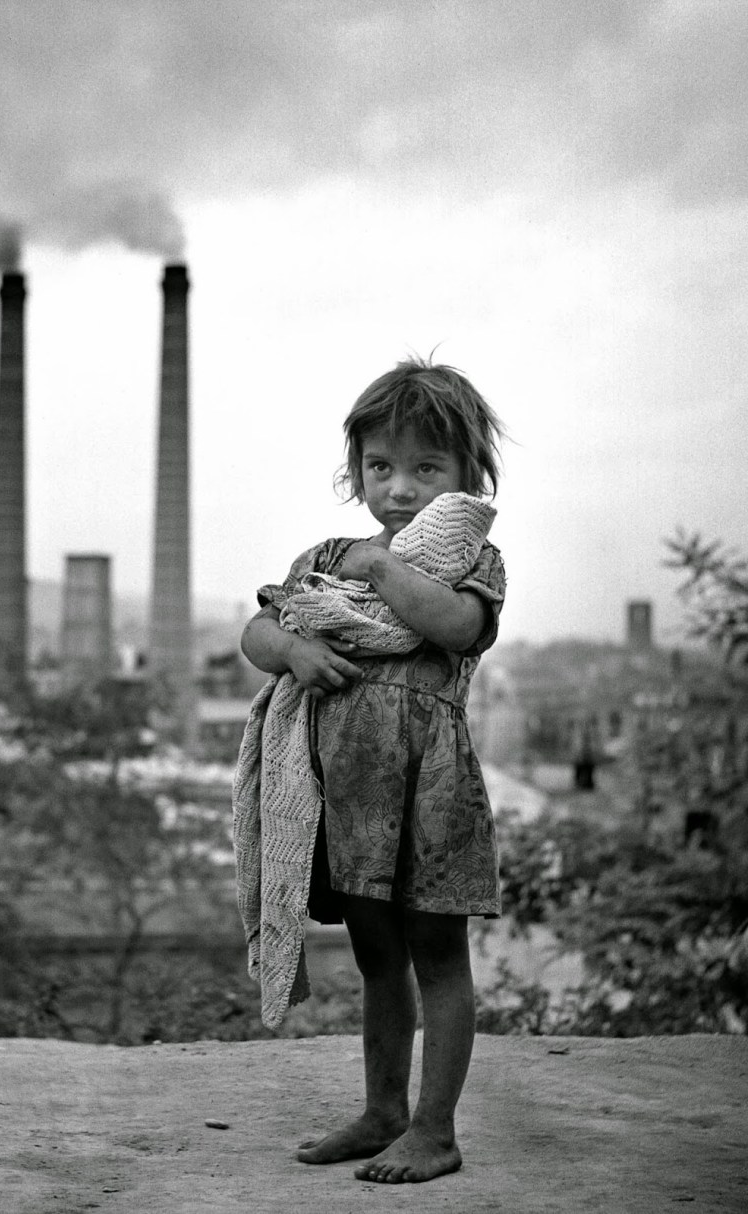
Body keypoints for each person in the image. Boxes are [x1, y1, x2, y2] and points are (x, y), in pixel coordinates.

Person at [234, 357, 507, 1184]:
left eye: (427, 468)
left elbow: (457, 629)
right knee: (376, 957)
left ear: (467, 475)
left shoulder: (472, 562)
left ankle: (435, 1129)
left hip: (429, 792)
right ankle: (383, 1111)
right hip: (346, 797)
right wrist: (293, 648)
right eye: (381, 467)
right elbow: (257, 631)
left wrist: (385, 568)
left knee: (438, 955)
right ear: (355, 471)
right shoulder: (326, 554)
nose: (400, 488)